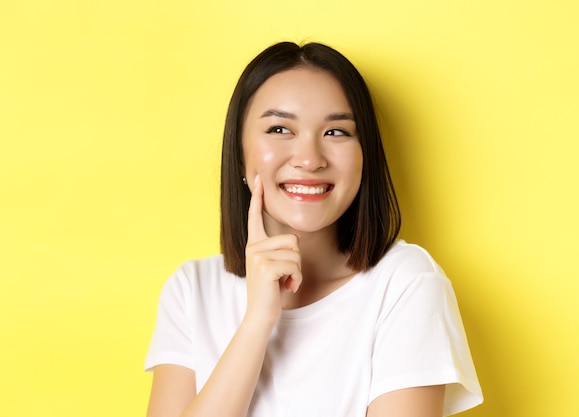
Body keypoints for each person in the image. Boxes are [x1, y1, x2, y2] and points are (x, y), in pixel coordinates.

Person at [144, 41, 483, 417]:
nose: (309, 159)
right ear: (240, 153)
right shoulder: (192, 290)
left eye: (336, 132)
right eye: (279, 128)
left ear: (364, 155)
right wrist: (258, 320)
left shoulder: (405, 284)